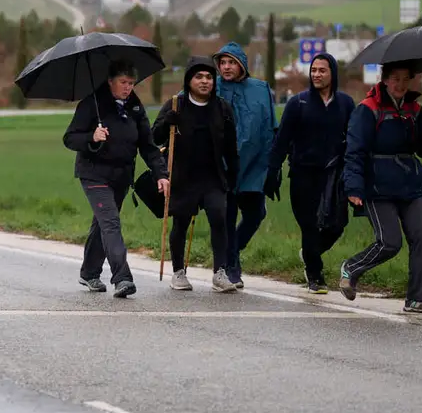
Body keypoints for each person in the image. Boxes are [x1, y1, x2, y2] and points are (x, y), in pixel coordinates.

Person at [339, 61, 422, 314]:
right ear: (385, 80)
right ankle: (351, 268)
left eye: (406, 79)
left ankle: (416, 299)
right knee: (389, 243)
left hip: (409, 185)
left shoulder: (415, 109)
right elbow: (354, 151)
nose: (400, 84)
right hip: (378, 187)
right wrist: (354, 187)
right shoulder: (368, 109)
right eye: (395, 79)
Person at [62, 60, 168, 298]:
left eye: (131, 83)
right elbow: (69, 138)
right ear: (110, 81)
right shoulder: (91, 104)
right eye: (123, 82)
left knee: (102, 224)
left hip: (121, 177)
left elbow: (148, 146)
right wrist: (92, 137)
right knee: (110, 222)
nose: (128, 87)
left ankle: (89, 273)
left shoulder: (135, 108)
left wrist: (161, 174)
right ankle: (122, 278)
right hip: (94, 174)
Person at [266, 53, 356, 293]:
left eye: (322, 70)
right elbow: (281, 140)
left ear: (332, 73)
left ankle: (308, 253)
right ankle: (315, 276)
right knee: (309, 226)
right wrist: (272, 171)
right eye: (313, 70)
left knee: (337, 226)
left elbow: (356, 140)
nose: (316, 74)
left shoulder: (346, 104)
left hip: (333, 178)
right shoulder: (298, 103)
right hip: (302, 175)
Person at [152, 56, 240, 293]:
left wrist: (233, 175)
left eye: (209, 77)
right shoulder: (175, 105)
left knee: (219, 218)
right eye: (199, 76)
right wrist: (166, 123)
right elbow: (154, 138)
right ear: (188, 80)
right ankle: (178, 272)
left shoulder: (222, 108)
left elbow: (231, 147)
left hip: (213, 177)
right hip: (183, 177)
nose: (205, 81)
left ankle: (220, 273)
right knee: (180, 222)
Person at [213, 41, 276, 289]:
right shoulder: (211, 86)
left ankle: (233, 250)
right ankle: (231, 267)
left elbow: (270, 126)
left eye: (232, 62)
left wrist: (272, 166)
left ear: (242, 65)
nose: (226, 67)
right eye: (223, 62)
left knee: (256, 213)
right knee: (227, 218)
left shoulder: (260, 89)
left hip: (253, 165)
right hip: (223, 166)